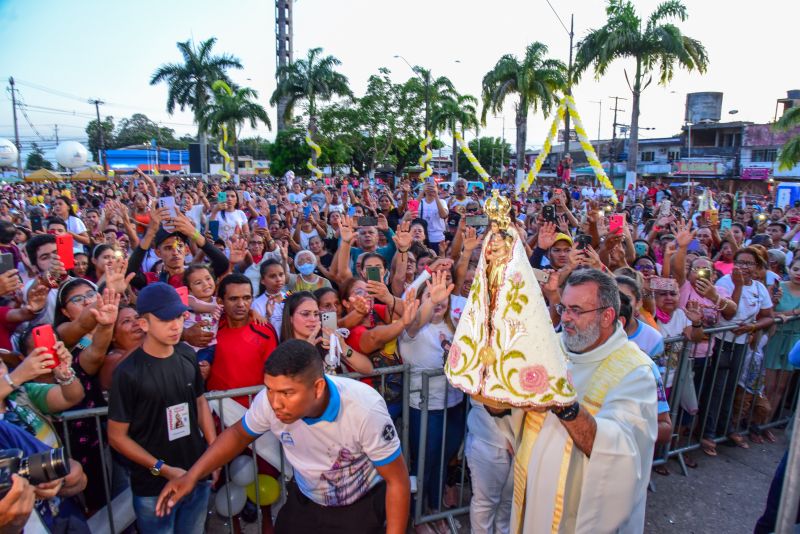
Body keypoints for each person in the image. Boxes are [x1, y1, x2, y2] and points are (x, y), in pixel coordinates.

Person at [155, 339, 411, 534]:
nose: (275, 403)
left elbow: (397, 482)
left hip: (360, 508)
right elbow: (237, 434)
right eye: (269, 389)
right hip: (305, 501)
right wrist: (191, 475)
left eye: (287, 393)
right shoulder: (270, 401)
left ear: (318, 387)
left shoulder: (363, 409)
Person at [492, 269, 657, 533]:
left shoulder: (636, 371)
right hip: (532, 498)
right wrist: (489, 391)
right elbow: (514, 417)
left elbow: (620, 451)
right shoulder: (551, 348)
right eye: (564, 308)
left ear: (607, 316)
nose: (566, 318)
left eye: (576, 310)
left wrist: (565, 405)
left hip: (581, 511)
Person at [108, 282, 217, 533]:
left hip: (196, 474)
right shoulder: (127, 373)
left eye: (179, 316)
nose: (176, 325)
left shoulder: (187, 354)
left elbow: (200, 402)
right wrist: (163, 469)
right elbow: (116, 437)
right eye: (166, 319)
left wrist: (213, 453)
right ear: (144, 323)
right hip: (153, 487)